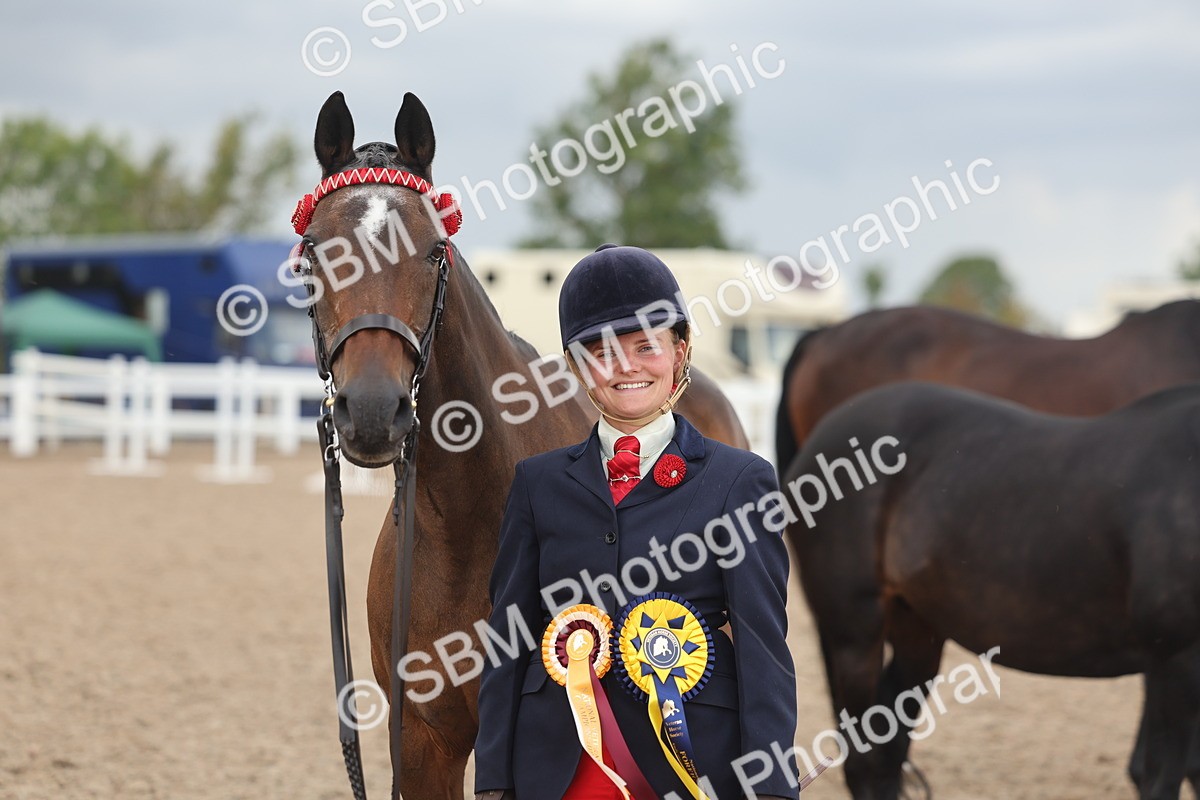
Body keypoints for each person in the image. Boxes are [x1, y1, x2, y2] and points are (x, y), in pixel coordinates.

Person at [474, 244, 798, 799]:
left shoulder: (740, 480)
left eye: (645, 346)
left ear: (680, 350)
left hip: (690, 762)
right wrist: (494, 782)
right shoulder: (537, 484)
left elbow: (763, 646)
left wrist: (769, 787)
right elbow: (508, 639)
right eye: (600, 351)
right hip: (559, 765)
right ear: (576, 368)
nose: (624, 366)